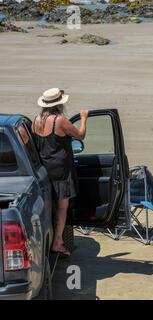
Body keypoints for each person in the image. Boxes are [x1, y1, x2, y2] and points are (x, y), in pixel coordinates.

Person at [32, 88, 88, 256]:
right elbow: (80, 135)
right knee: (62, 208)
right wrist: (84, 118)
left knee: (48, 205)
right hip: (61, 170)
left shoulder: (36, 121)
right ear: (59, 104)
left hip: (43, 170)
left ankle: (47, 239)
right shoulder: (60, 120)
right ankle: (57, 241)